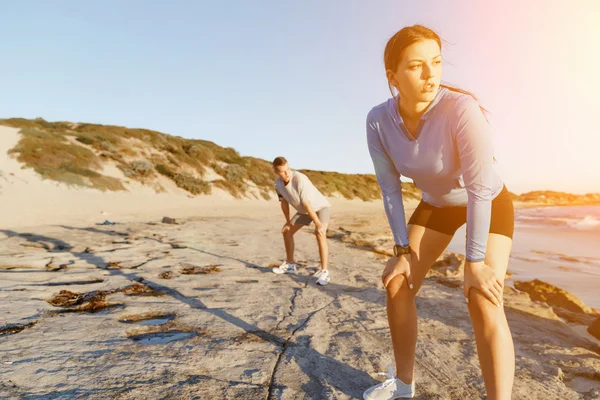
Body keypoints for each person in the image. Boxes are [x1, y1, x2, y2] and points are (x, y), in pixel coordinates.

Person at [363, 25, 515, 400]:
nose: (431, 74)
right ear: (392, 76)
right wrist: (401, 251)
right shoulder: (378, 120)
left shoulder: (461, 110)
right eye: (417, 66)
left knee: (482, 296)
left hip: (489, 202)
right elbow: (390, 189)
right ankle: (402, 388)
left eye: (436, 62)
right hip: (436, 205)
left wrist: (474, 263)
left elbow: (479, 189)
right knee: (397, 282)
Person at [271, 156, 332, 286]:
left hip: (320, 208)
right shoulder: (278, 183)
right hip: (305, 211)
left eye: (288, 169)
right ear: (276, 172)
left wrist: (318, 224)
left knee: (320, 232)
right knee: (287, 231)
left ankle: (325, 272)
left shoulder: (300, 179)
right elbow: (284, 203)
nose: (287, 173)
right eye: (283, 171)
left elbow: (307, 203)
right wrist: (288, 221)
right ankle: (290, 265)